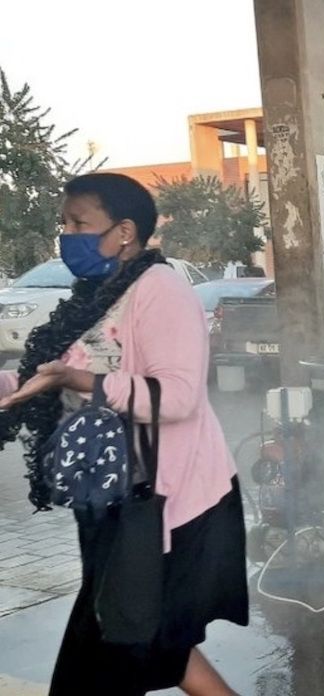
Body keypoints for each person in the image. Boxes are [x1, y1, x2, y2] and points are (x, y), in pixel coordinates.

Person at [0, 173, 247, 695]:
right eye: (63, 223)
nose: (67, 235)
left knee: (117, 649)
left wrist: (80, 380)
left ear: (125, 230)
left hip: (168, 505)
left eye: (79, 223)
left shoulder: (161, 289)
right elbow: (48, 372)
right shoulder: (95, 294)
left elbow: (177, 397)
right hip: (113, 501)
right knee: (153, 640)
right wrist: (30, 382)